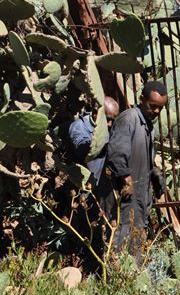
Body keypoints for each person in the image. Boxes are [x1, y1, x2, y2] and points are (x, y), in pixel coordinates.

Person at [99, 80, 168, 262]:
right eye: (153, 106)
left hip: (139, 195)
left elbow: (144, 159)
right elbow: (116, 153)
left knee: (135, 240)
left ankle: (131, 277)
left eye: (160, 108)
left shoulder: (147, 125)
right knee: (120, 240)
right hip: (125, 194)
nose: (156, 111)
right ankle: (115, 276)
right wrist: (126, 179)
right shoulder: (128, 119)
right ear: (141, 99)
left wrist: (155, 175)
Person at [66, 96, 120, 186]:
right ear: (95, 113)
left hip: (102, 184)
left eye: (113, 121)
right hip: (84, 185)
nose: (110, 124)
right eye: (107, 119)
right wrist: (106, 145)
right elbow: (82, 151)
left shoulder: (108, 128)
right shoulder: (79, 127)